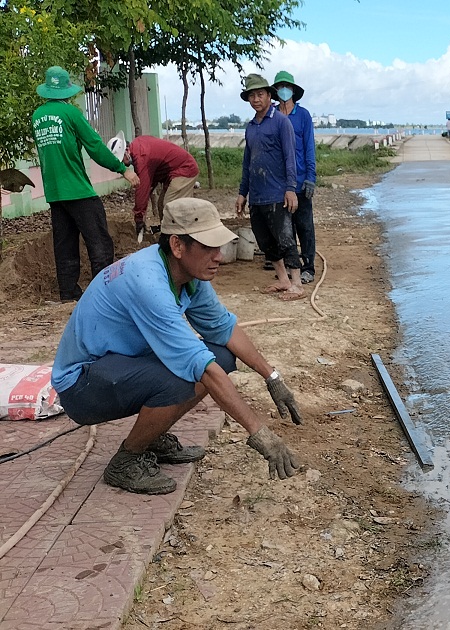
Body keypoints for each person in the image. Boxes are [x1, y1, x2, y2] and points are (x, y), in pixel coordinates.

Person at [51, 198, 304, 495]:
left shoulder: (188, 276)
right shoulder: (148, 282)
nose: (219, 257)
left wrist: (272, 377)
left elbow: (224, 329)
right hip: (81, 384)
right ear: (178, 246)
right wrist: (259, 433)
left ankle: (152, 436)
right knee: (185, 375)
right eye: (208, 247)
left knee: (220, 357)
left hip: (117, 365)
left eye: (219, 246)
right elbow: (201, 369)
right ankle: (127, 460)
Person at [31, 66, 140, 302]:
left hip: (55, 193)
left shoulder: (37, 117)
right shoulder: (71, 114)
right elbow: (95, 146)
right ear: (67, 91)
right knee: (99, 240)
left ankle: (68, 293)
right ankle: (105, 292)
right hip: (78, 189)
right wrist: (123, 170)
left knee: (65, 244)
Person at [236, 73, 303, 300]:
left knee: (286, 238)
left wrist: (290, 188)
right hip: (257, 194)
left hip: (278, 193)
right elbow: (248, 161)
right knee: (265, 240)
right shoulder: (251, 127)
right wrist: (242, 193)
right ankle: (282, 280)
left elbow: (290, 157)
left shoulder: (281, 122)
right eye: (252, 95)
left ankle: (297, 283)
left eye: (260, 94)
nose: (256, 99)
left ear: (268, 96)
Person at [272, 71, 318, 285]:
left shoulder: (303, 116)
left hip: (300, 180)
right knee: (283, 228)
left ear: (292, 90)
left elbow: (309, 148)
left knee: (304, 225)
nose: (283, 90)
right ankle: (291, 266)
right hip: (279, 183)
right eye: (279, 86)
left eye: (286, 86)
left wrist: (311, 177)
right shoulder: (272, 115)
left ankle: (308, 266)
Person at [111, 132, 200, 241]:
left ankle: (184, 238)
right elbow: (149, 182)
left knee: (170, 205)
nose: (123, 164)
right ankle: (169, 235)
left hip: (185, 169)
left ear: (126, 151)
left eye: (121, 160)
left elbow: (142, 188)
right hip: (174, 171)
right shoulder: (138, 145)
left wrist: (139, 218)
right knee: (161, 205)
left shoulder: (141, 156)